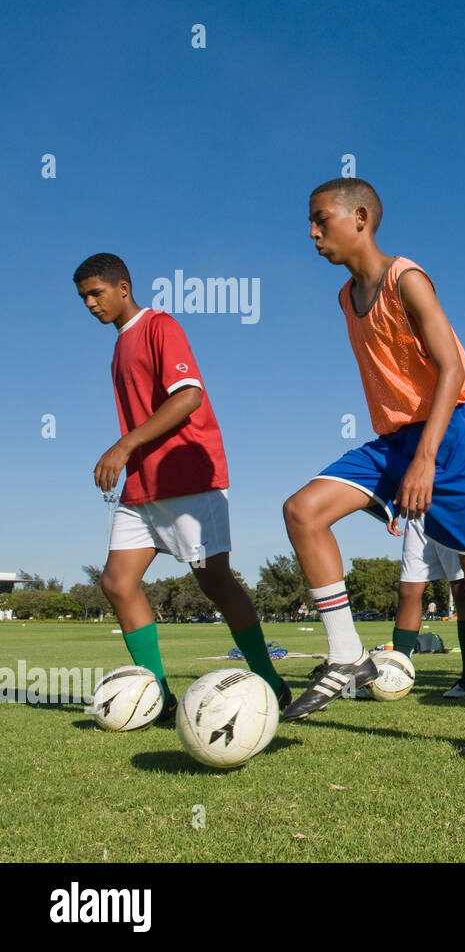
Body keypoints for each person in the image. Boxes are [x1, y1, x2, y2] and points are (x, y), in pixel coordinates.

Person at [286, 178, 465, 757]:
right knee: (303, 511)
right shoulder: (346, 298)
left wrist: (424, 462)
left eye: (322, 219)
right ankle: (346, 655)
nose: (312, 232)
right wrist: (396, 479)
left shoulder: (407, 280)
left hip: (455, 437)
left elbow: (448, 369)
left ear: (361, 217)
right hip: (396, 440)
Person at [74, 252, 290, 720]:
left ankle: (272, 683)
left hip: (190, 477)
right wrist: (131, 455)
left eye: (96, 293)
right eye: (83, 297)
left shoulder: (160, 326)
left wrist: (122, 447)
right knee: (116, 582)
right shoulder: (118, 347)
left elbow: (189, 396)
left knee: (214, 582)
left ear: (123, 288)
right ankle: (159, 698)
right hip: (143, 487)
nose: (90, 304)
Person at [396, 516, 465, 697]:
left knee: (462, 589)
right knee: (408, 588)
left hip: (450, 506)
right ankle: (397, 673)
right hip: (416, 513)